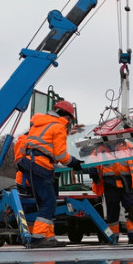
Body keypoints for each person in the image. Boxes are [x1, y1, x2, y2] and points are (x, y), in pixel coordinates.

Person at [18, 100, 85, 248]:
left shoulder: (39, 124)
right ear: (66, 116)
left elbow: (40, 146)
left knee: (44, 203)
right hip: (41, 166)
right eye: (69, 119)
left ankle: (48, 237)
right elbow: (61, 155)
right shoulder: (58, 127)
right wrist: (74, 162)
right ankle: (38, 238)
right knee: (49, 202)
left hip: (30, 165)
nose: (68, 122)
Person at [92, 141, 133, 244]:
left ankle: (132, 237)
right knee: (112, 212)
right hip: (110, 183)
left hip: (127, 183)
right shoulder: (99, 149)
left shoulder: (129, 146)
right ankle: (113, 237)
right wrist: (93, 172)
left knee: (132, 210)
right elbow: (92, 161)